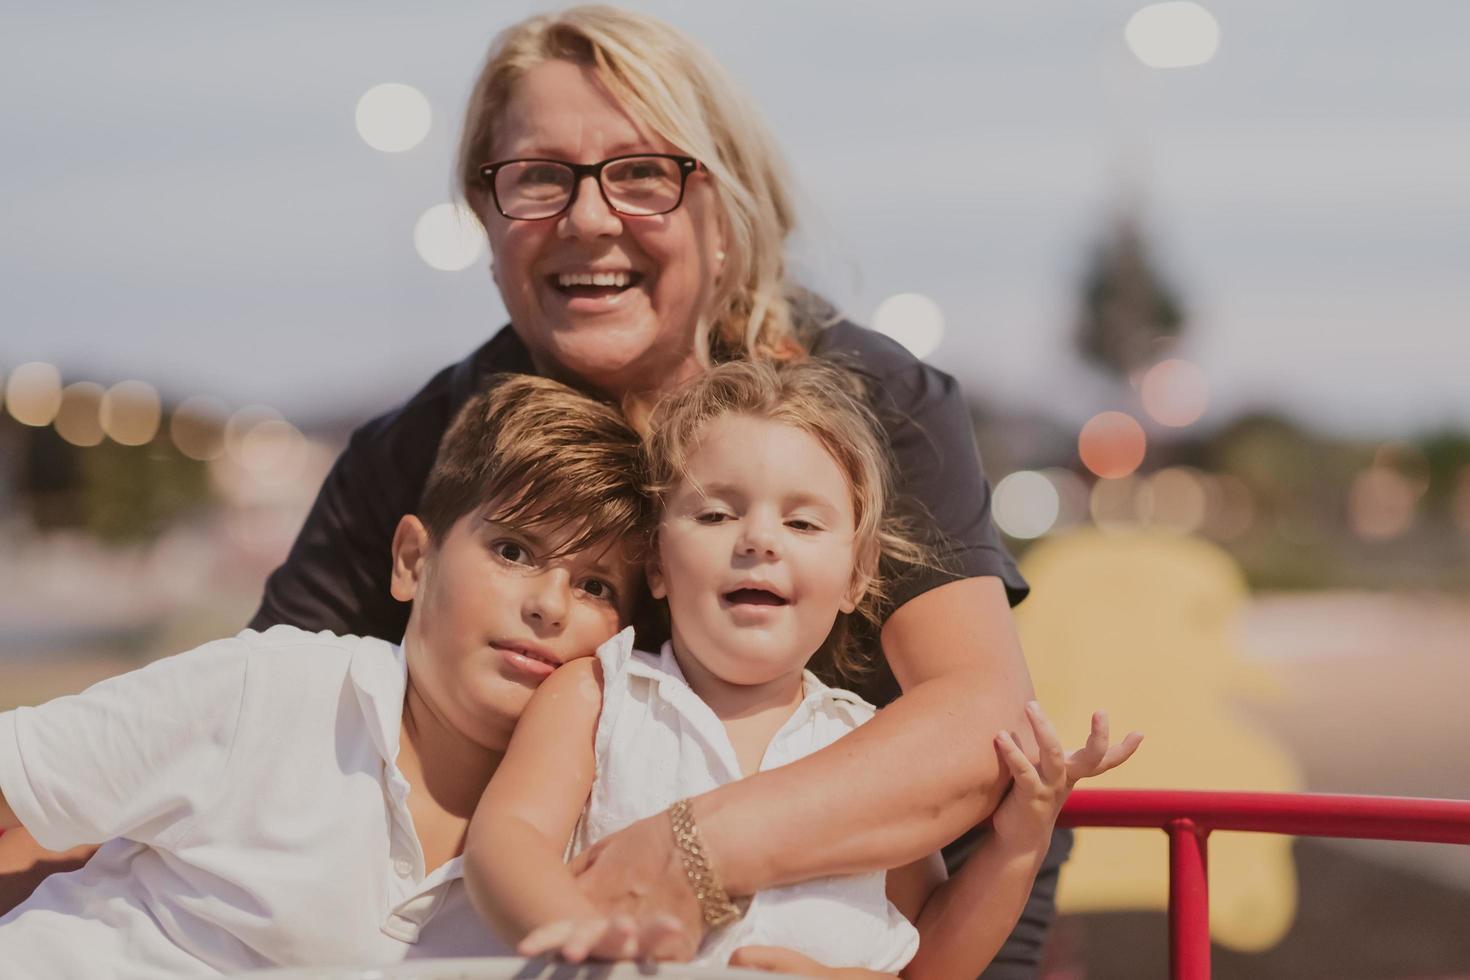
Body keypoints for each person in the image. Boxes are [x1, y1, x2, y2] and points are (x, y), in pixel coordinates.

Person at [0, 7, 1066, 975]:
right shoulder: (425, 447)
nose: (589, 219)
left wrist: (694, 851)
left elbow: (978, 721)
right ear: (486, 209)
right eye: (538, 177)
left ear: (728, 204)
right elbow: (286, 727)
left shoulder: (861, 401)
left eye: (644, 173)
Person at [466, 359, 1141, 976]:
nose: (759, 539)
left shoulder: (868, 751)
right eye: (716, 512)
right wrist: (577, 928)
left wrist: (1016, 847)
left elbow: (930, 959)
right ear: (657, 565)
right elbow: (509, 839)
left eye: (804, 525)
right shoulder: (596, 694)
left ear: (857, 578)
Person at [0, 377, 650, 976]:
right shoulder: (271, 689)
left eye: (595, 584)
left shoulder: (588, 834)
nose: (550, 604)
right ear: (412, 561)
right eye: (513, 551)